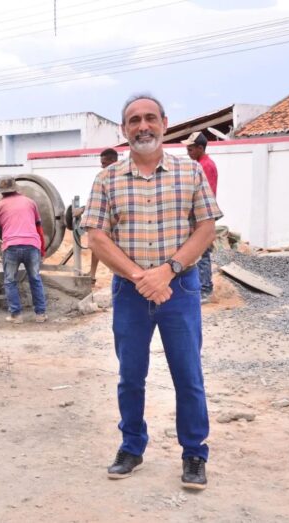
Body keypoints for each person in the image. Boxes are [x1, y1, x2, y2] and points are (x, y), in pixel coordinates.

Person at [82, 94, 222, 490]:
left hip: (179, 288)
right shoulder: (107, 180)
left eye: (149, 118)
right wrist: (140, 277)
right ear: (124, 131)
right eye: (133, 121)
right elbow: (96, 236)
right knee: (130, 375)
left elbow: (206, 229)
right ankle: (131, 446)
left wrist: (167, 271)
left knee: (187, 374)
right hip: (130, 293)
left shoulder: (189, 171)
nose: (142, 126)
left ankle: (194, 452)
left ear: (163, 122)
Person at [0, 176, 47, 324]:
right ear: (16, 188)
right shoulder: (30, 203)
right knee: (35, 279)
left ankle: (16, 315)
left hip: (11, 247)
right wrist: (42, 250)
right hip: (32, 246)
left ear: (1, 191)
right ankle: (40, 314)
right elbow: (39, 229)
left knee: (10, 281)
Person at [182, 131, 219, 303]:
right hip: (197, 215)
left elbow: (205, 195)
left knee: (202, 252)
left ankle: (206, 289)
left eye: (190, 149)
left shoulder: (205, 166)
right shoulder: (200, 164)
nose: (188, 153)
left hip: (201, 216)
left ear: (199, 148)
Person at [90, 148, 120, 283]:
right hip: (107, 220)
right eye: (101, 163)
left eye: (104, 163)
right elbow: (97, 203)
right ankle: (92, 274)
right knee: (97, 242)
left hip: (118, 222)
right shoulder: (102, 179)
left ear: (113, 161)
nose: (102, 166)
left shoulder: (122, 178)